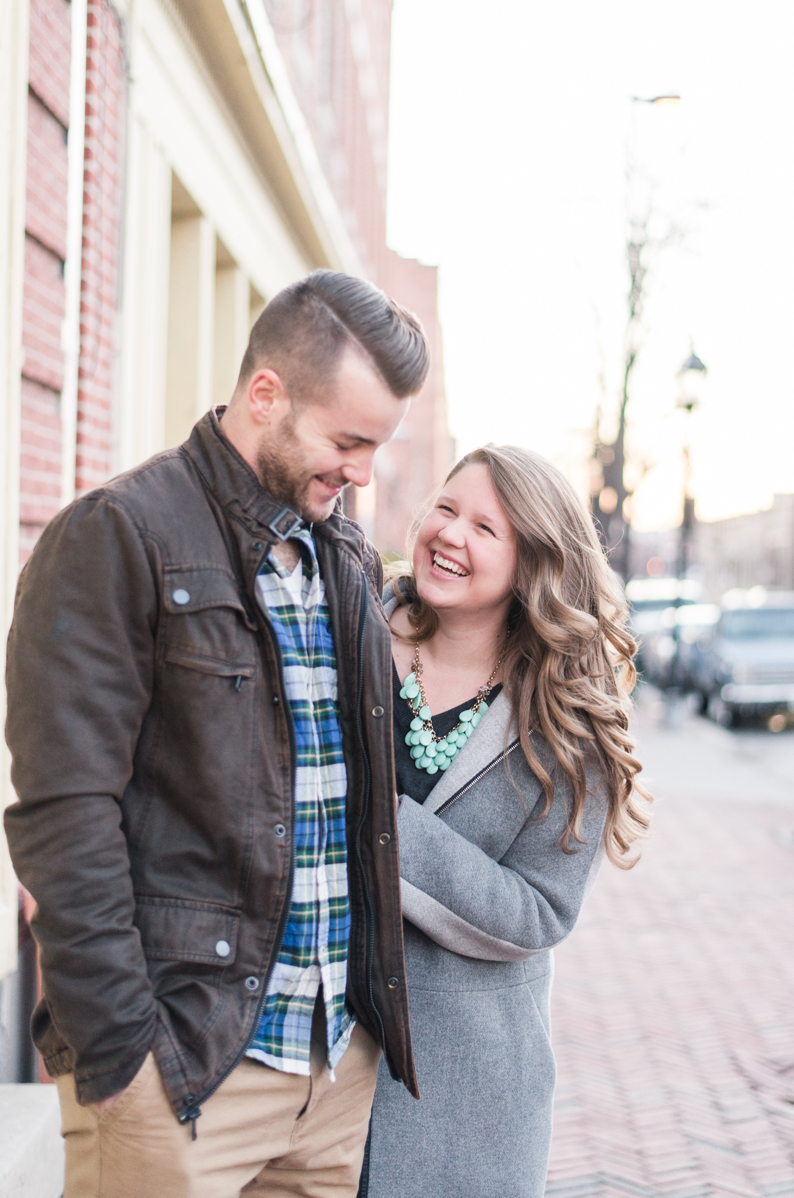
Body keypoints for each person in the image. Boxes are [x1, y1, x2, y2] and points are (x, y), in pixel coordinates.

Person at [4, 270, 429, 1198]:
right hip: (184, 1076)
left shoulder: (346, 555)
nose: (362, 472)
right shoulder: (116, 535)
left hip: (333, 1074)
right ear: (266, 394)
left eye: (376, 447)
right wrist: (123, 1055)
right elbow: (64, 816)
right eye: (348, 440)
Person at [359, 444, 652, 1198]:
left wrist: (383, 828)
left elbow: (539, 910)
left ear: (533, 565)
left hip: (460, 1106)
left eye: (486, 528)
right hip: (307, 1071)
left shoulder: (569, 725)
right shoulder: (350, 636)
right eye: (446, 510)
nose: (450, 535)